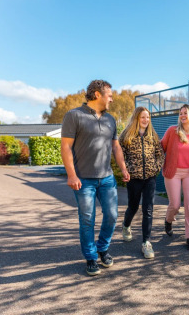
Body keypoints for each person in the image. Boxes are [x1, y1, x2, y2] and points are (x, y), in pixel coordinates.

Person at [61, 80, 130, 276]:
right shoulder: (74, 116)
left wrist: (123, 168)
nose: (112, 99)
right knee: (87, 219)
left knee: (112, 215)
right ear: (97, 94)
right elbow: (66, 147)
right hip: (83, 180)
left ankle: (102, 247)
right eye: (109, 95)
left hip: (107, 178)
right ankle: (91, 257)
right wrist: (71, 175)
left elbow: (116, 147)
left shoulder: (110, 119)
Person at [119, 106, 164, 259]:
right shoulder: (126, 135)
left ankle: (146, 242)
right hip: (134, 178)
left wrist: (156, 168)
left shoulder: (153, 135)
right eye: (143, 117)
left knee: (148, 209)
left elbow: (160, 154)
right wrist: (127, 169)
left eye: (148, 117)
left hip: (150, 178)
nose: (146, 120)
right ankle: (126, 226)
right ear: (137, 118)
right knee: (133, 206)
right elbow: (120, 155)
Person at [161, 104, 189, 251]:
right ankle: (168, 220)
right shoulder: (172, 131)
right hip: (173, 171)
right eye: (180, 113)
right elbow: (160, 148)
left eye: (185, 113)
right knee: (175, 204)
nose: (182, 115)